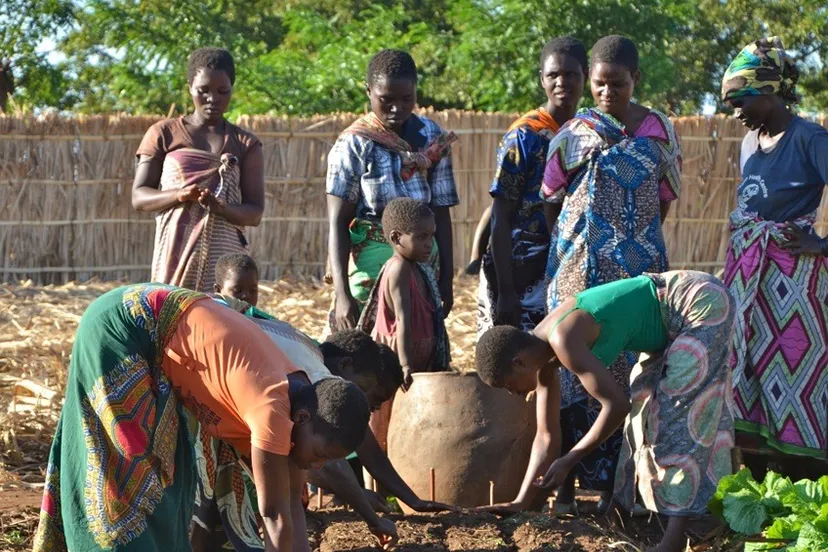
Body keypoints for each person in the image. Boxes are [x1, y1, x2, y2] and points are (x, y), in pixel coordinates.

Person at [32, 283, 369, 552]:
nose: (318, 467)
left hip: (162, 347)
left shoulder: (297, 403)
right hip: (125, 325)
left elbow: (291, 506)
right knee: (131, 471)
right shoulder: (272, 406)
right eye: (321, 455)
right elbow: (274, 516)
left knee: (174, 472)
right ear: (305, 417)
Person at [476, 270, 735, 552]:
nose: (513, 393)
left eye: (508, 385)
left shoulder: (563, 339)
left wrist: (571, 458)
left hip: (698, 303)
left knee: (676, 415)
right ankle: (621, 513)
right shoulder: (544, 359)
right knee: (642, 412)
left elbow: (616, 405)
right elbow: (547, 436)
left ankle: (674, 539)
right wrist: (521, 501)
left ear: (518, 363)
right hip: (670, 320)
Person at [540, 35, 682, 513]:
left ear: (635, 80)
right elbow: (551, 199)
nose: (606, 94)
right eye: (599, 85)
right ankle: (563, 486)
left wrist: (633, 246)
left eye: (617, 85)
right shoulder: (576, 132)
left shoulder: (659, 131)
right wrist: (576, 254)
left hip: (640, 271)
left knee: (635, 375)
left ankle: (621, 492)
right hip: (579, 274)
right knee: (576, 381)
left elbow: (666, 197)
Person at [720, 37, 828, 479]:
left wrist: (821, 245)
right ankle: (763, 485)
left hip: (793, 281)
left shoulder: (810, 138)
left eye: (740, 99)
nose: (735, 111)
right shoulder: (749, 142)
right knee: (748, 372)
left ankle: (806, 483)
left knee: (796, 375)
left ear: (769, 91)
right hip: (749, 278)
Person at [326, 49, 458, 336]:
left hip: (424, 256)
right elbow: (338, 222)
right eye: (386, 100)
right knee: (367, 347)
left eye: (406, 99)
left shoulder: (432, 137)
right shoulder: (354, 144)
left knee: (419, 340)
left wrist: (446, 279)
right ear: (369, 91)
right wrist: (343, 294)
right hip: (371, 258)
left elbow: (442, 212)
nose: (397, 108)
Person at [477, 36, 588, 335]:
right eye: (553, 75)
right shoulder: (524, 137)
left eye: (571, 75)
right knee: (513, 361)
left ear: (585, 77)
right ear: (542, 80)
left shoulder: (587, 134)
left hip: (564, 263)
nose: (561, 82)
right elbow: (501, 216)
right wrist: (507, 291)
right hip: (518, 269)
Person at [132, 47, 264, 292]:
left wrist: (221, 208)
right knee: (172, 319)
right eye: (203, 91)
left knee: (223, 321)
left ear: (232, 89)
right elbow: (139, 197)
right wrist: (179, 195)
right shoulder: (163, 133)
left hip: (224, 263)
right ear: (190, 86)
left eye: (222, 91)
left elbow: (254, 213)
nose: (213, 99)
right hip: (174, 253)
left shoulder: (245, 143)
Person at [357, 198, 452, 455]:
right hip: (395, 361)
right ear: (397, 238)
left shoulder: (418, 269)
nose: (429, 244)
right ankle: (374, 488)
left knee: (409, 423)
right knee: (383, 426)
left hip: (413, 359)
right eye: (421, 237)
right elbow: (402, 321)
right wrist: (406, 365)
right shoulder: (399, 270)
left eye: (431, 237)